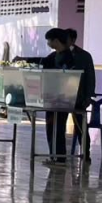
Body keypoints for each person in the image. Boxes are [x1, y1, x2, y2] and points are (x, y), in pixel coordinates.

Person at [40, 28, 74, 163]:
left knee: (58, 129)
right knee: (51, 128)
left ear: (56, 40)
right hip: (51, 97)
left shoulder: (67, 57)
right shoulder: (54, 56)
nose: (48, 43)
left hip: (62, 99)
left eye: (49, 40)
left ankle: (59, 158)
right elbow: (42, 61)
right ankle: (53, 156)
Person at [66, 28, 96, 163]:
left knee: (81, 128)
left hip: (79, 97)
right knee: (58, 126)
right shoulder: (58, 54)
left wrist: (88, 96)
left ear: (72, 40)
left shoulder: (84, 56)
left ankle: (86, 153)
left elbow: (90, 77)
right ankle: (58, 155)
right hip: (61, 97)